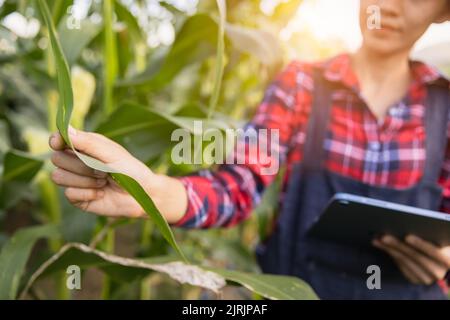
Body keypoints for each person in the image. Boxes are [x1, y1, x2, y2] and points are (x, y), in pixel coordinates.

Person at [48, 0, 450, 299]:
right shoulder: (301, 84)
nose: (390, 6)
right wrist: (148, 192)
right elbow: (237, 187)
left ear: (441, 11)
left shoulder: (445, 110)